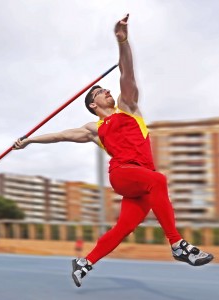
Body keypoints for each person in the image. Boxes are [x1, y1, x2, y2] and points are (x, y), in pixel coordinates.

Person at [13, 14, 214, 287]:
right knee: (159, 180)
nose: (106, 90)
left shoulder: (128, 107)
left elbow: (127, 72)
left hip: (142, 181)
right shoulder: (94, 129)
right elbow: (61, 135)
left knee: (124, 227)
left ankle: (84, 262)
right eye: (99, 91)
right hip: (123, 174)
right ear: (92, 104)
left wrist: (123, 42)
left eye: (105, 88)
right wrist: (30, 140)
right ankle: (177, 244)